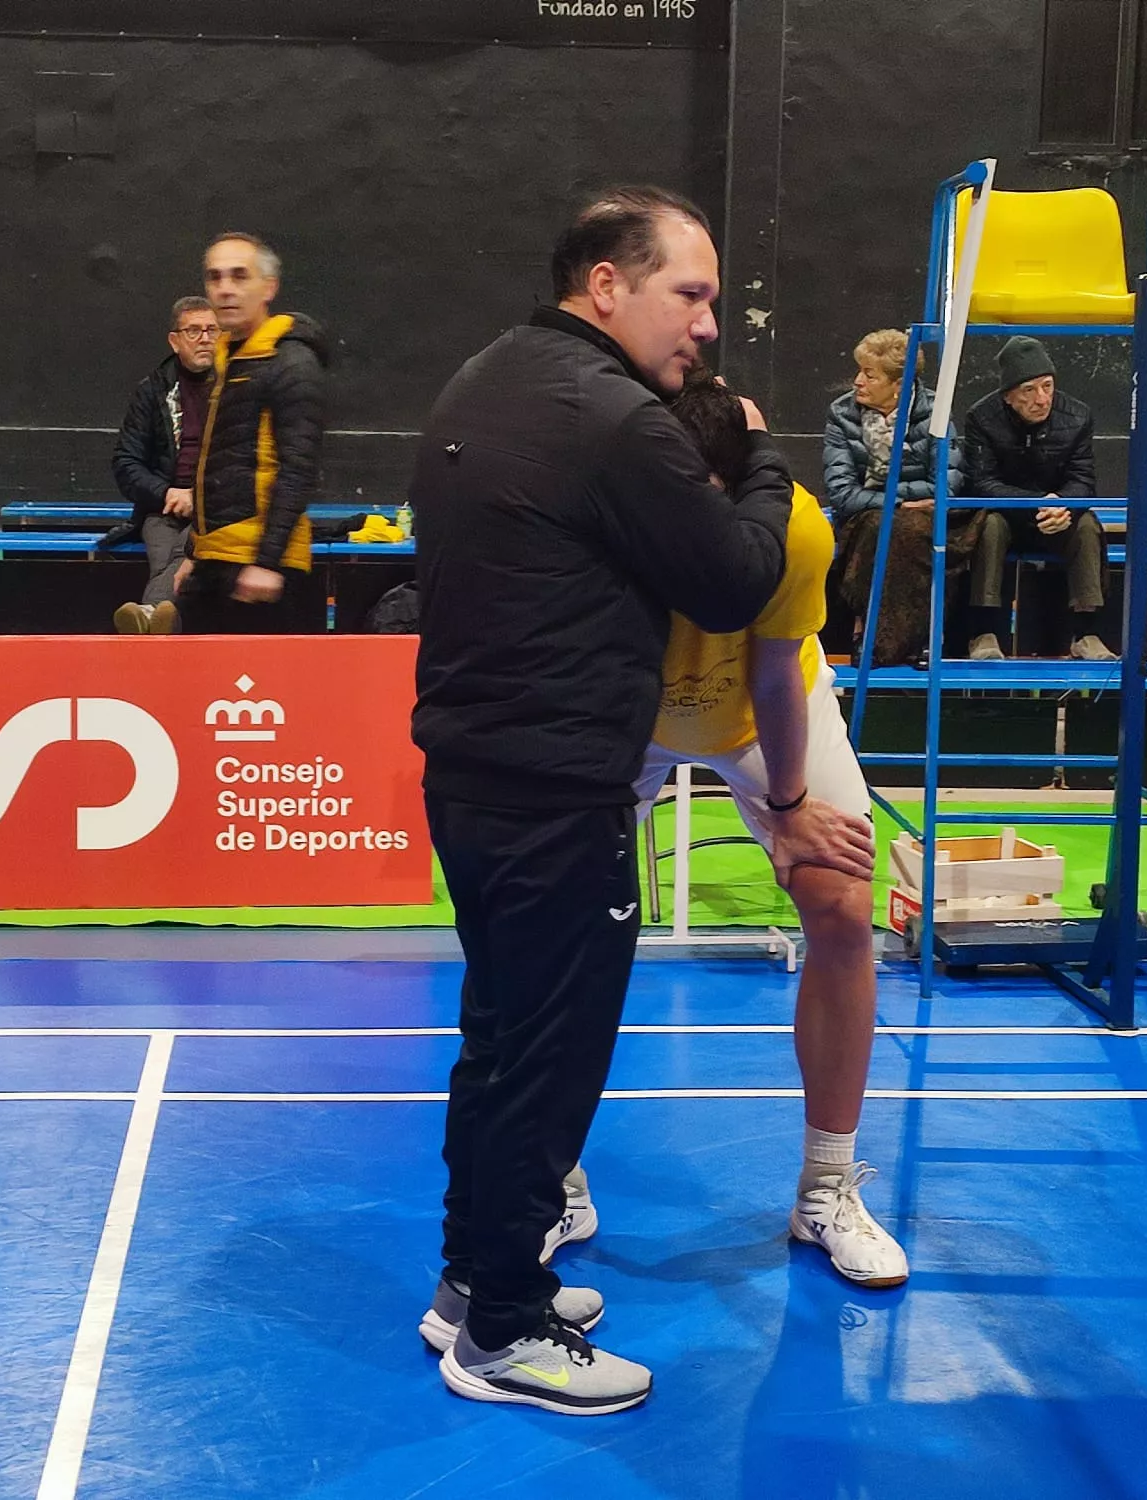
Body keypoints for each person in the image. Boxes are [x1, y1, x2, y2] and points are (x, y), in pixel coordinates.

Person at [410, 186, 797, 1416]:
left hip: (476, 778)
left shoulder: (488, 373)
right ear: (606, 288)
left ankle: (475, 1283)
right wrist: (768, 457)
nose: (706, 326)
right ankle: (504, 1334)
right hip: (554, 790)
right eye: (688, 295)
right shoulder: (615, 417)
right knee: (549, 1055)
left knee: (501, 1038)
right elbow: (734, 578)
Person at [626, 366, 899, 1292]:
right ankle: (549, 1180)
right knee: (565, 931)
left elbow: (777, 676)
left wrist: (787, 812)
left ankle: (826, 1187)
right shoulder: (611, 513)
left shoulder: (797, 527)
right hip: (627, 716)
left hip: (759, 715)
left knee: (841, 903)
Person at [171, 233, 327, 634]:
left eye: (240, 276)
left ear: (269, 288)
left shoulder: (292, 362)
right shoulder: (227, 357)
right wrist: (195, 551)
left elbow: (298, 469)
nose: (225, 289)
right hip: (216, 562)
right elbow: (218, 460)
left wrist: (266, 563)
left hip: (264, 575)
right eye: (215, 277)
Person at [960, 337, 1112, 661]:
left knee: (1086, 525)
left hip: (1058, 516)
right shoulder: (980, 418)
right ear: (1008, 396)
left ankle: (1086, 633)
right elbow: (981, 484)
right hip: (1009, 516)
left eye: (1047, 386)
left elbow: (1084, 481)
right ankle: (984, 633)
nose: (1041, 399)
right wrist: (1038, 503)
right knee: (988, 525)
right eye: (1029, 390)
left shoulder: (1078, 416)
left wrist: (1061, 504)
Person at [824, 329, 967, 665]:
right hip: (864, 517)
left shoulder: (936, 412)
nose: (857, 381)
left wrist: (896, 502)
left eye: (869, 375)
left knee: (912, 529)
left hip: (922, 517)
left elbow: (945, 486)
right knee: (883, 526)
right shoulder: (842, 414)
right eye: (859, 371)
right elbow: (843, 493)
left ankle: (893, 639)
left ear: (898, 385)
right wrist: (900, 501)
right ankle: (886, 636)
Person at [109, 296, 221, 634]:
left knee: (179, 554)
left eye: (212, 330)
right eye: (194, 330)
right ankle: (162, 621)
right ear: (174, 340)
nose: (204, 338)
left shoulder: (236, 389)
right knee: (168, 554)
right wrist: (167, 493)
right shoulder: (152, 391)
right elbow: (125, 462)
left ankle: (151, 616)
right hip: (163, 509)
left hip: (217, 509)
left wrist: (199, 498)